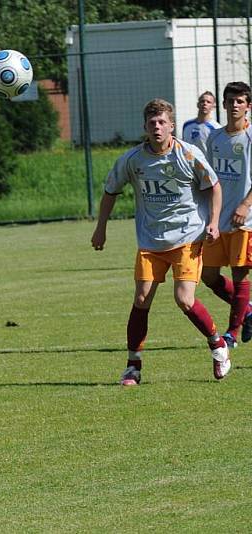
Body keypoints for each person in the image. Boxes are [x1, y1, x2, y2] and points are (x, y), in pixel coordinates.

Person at [91, 98, 231, 385]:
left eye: (162, 122)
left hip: (187, 237)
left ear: (171, 126)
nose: (157, 127)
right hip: (151, 240)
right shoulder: (132, 160)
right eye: (152, 122)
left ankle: (218, 345)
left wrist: (214, 222)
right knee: (141, 299)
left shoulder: (187, 155)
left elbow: (214, 186)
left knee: (183, 299)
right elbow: (109, 191)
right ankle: (133, 367)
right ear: (145, 127)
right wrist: (100, 228)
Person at [201, 81, 252, 349]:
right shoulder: (215, 138)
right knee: (208, 276)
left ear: (248, 106)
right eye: (230, 101)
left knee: (239, 274)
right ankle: (249, 310)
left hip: (245, 220)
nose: (234, 105)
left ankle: (233, 332)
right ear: (223, 104)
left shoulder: (250, 138)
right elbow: (209, 178)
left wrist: (245, 205)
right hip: (218, 219)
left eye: (240, 101)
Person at [182, 91, 221, 157]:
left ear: (213, 106)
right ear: (198, 104)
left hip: (206, 165)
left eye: (208, 102)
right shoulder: (187, 125)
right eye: (202, 101)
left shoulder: (216, 128)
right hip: (188, 165)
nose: (205, 103)